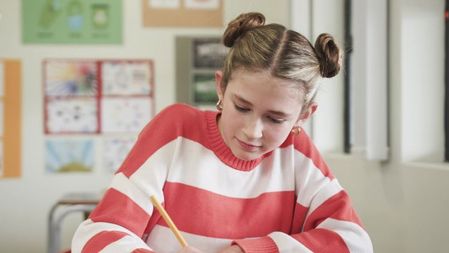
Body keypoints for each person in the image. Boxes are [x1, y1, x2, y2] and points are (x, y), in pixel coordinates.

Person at [72, 12, 373, 253]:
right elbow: (97, 234)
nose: (253, 131)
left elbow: (354, 243)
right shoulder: (176, 130)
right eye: (242, 107)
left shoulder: (297, 153)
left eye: (275, 118)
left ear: (304, 115)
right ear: (221, 86)